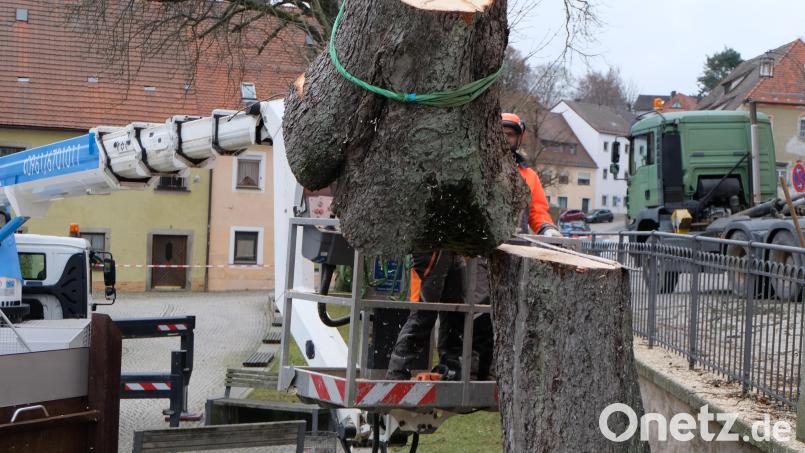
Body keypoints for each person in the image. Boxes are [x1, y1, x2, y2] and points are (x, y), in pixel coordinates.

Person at [385, 113, 560, 381]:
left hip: (508, 251)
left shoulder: (527, 176)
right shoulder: (475, 167)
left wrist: (548, 229)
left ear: (518, 138)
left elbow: (538, 212)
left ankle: (469, 368)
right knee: (453, 309)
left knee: (482, 313)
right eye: (500, 132)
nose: (504, 139)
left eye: (510, 134)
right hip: (472, 252)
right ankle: (432, 369)